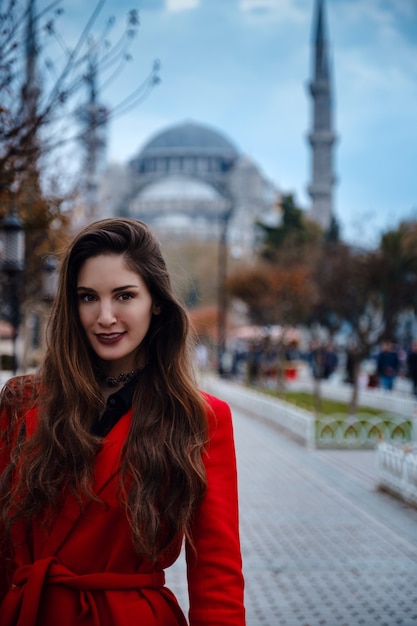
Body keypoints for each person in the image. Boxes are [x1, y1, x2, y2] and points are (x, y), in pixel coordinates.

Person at [0, 218, 245, 626]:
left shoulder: (198, 418)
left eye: (124, 295)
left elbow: (216, 574)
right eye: (88, 297)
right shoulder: (22, 401)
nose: (105, 316)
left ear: (157, 302)